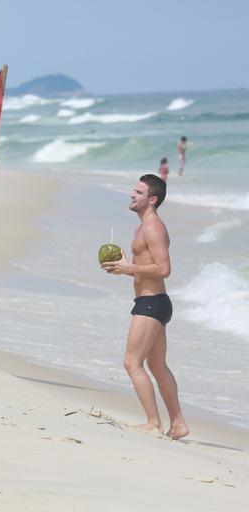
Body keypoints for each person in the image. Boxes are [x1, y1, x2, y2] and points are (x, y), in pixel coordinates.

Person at [101, 174, 189, 440]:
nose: (132, 194)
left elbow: (164, 269)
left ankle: (153, 423)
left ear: (153, 199)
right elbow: (146, 270)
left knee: (132, 363)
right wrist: (125, 269)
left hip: (151, 304)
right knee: (158, 366)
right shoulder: (142, 228)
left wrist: (131, 267)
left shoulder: (153, 228)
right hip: (153, 302)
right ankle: (179, 424)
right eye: (133, 190)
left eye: (138, 192)